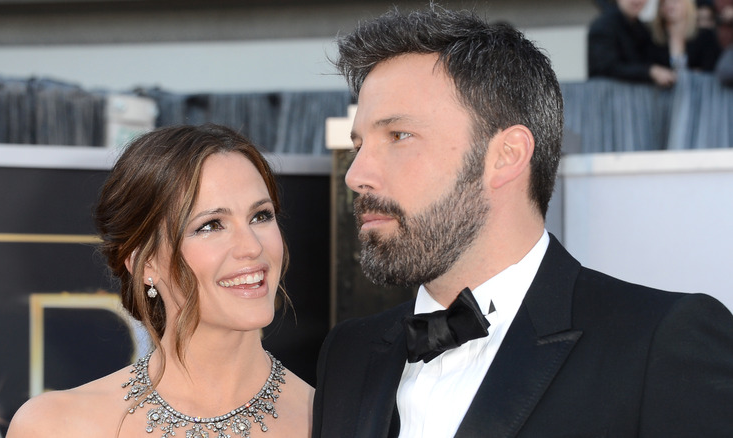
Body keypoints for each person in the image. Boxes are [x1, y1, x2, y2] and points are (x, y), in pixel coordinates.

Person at [312, 5, 733, 438]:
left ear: (506, 156)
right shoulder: (348, 354)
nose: (355, 174)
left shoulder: (659, 344)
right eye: (358, 143)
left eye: (398, 136)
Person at [7, 124, 313, 438]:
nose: (252, 247)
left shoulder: (330, 420)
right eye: (210, 225)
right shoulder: (55, 427)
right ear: (145, 262)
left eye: (260, 216)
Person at [588, 0, 677, 86]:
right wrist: (650, 72)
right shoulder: (603, 26)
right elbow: (606, 68)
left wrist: (675, 29)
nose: (637, 1)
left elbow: (658, 60)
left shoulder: (641, 29)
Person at [651, 0, 722, 71]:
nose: (669, 5)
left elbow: (711, 68)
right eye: (664, 2)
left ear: (688, 5)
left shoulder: (705, 36)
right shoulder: (653, 37)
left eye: (675, 1)